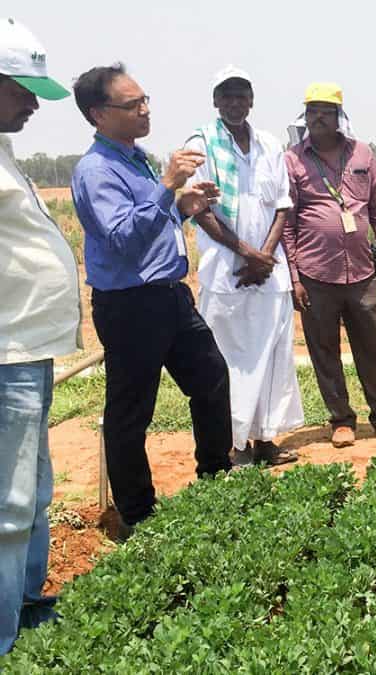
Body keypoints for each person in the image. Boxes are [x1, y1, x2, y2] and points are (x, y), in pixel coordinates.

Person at [70, 64, 232, 533]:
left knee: (210, 377)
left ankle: (217, 479)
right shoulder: (95, 170)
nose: (144, 111)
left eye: (146, 100)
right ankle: (138, 513)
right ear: (99, 114)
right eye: (132, 104)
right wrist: (167, 187)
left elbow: (149, 224)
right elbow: (121, 237)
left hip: (170, 296)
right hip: (130, 305)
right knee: (131, 409)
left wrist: (182, 205)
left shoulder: (135, 157)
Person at [0, 18, 77, 654]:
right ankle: (4, 637)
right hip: (5, 358)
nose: (32, 102)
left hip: (27, 352)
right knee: (7, 502)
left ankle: (25, 605)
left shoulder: (5, 151)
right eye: (22, 88)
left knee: (32, 493)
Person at [182, 66, 303, 465]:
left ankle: (267, 441)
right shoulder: (200, 144)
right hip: (225, 271)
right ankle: (234, 446)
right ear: (216, 101)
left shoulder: (269, 144)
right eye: (227, 95)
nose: (235, 102)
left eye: (242, 94)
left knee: (272, 357)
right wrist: (247, 254)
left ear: (252, 100)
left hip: (270, 272)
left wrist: (265, 256)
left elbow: (282, 205)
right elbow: (200, 211)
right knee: (228, 361)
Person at [282, 83, 376, 446]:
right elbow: (288, 222)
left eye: (326, 110)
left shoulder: (362, 155)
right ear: (304, 116)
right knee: (323, 349)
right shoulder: (293, 160)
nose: (319, 117)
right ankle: (341, 420)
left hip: (361, 272)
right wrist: (294, 276)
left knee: (374, 345)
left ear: (340, 116)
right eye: (312, 110)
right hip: (314, 273)